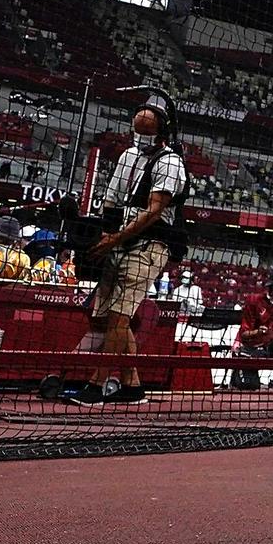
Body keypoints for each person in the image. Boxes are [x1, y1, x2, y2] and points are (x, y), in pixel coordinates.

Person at [67, 96, 189, 407]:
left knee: (118, 319)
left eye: (147, 132)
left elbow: (154, 212)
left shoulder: (171, 163)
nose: (140, 138)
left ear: (163, 133)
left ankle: (97, 385)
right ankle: (132, 384)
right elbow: (112, 200)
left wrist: (115, 237)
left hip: (149, 246)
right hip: (121, 241)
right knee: (104, 317)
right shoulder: (127, 156)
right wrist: (102, 236)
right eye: (137, 131)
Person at [231, 268, 273, 391]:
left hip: (272, 346)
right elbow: (244, 334)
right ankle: (240, 373)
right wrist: (258, 332)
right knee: (249, 387)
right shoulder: (254, 300)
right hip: (250, 348)